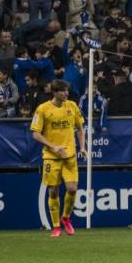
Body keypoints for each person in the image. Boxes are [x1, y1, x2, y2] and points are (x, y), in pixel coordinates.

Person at [30, 79, 87, 237]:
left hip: (69, 155)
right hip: (51, 157)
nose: (66, 93)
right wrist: (53, 146)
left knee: (72, 189)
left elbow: (80, 129)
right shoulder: (43, 109)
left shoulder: (72, 106)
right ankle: (55, 227)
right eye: (62, 91)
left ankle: (66, 218)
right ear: (54, 92)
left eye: (66, 90)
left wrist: (82, 147)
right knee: (53, 192)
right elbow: (35, 133)